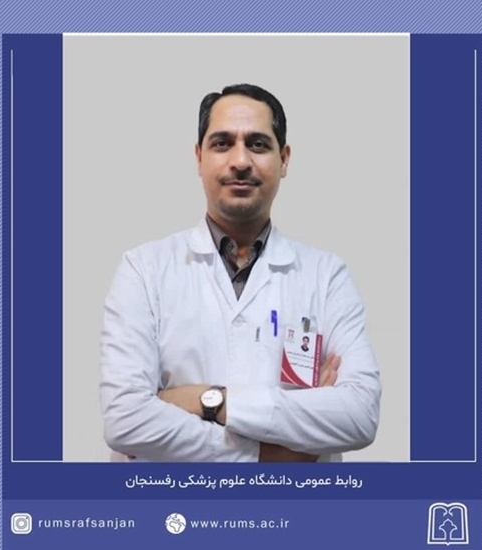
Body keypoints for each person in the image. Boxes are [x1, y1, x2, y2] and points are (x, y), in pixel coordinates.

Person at [100, 83, 381, 462]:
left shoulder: (326, 276)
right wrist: (270, 455)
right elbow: (125, 420)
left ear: (284, 159)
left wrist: (208, 401)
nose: (241, 161)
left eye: (258, 144)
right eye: (222, 143)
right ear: (199, 157)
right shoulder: (143, 269)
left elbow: (360, 415)